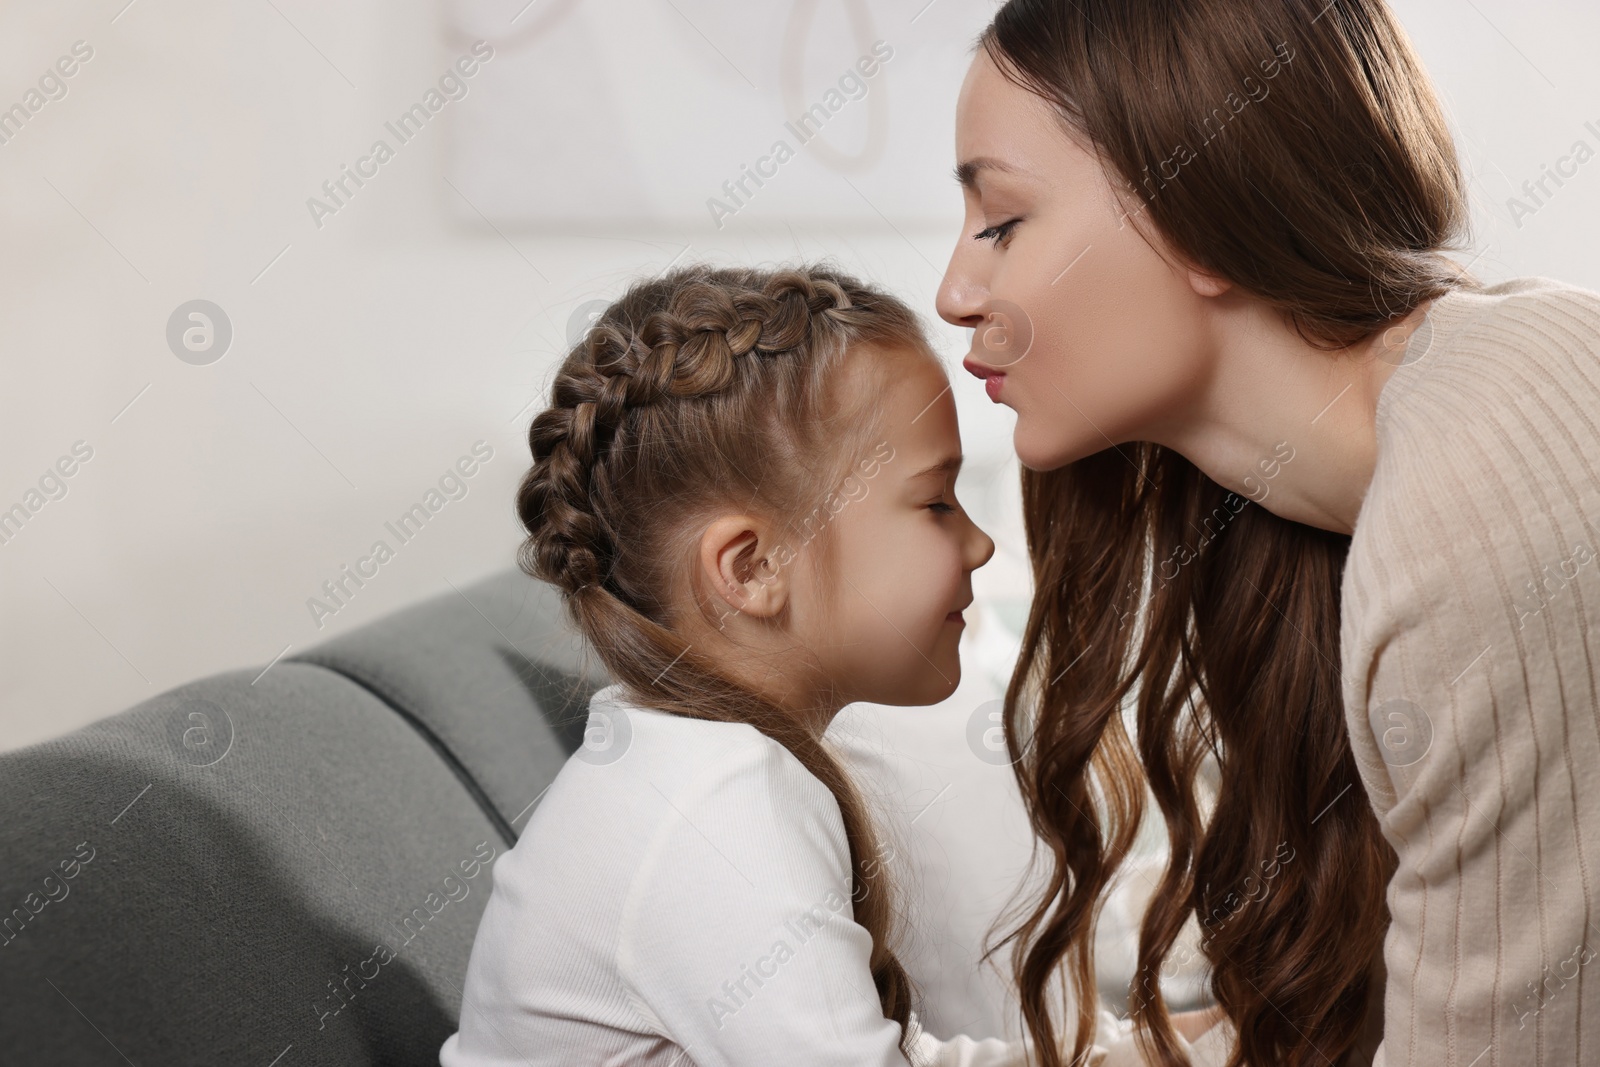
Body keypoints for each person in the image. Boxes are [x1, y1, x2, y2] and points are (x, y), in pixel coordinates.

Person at [937, 1, 1600, 1066]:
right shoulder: (1336, 508)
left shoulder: (1479, 489)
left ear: (1198, 212)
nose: (956, 292)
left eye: (1003, 223)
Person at [437, 263, 1130, 1065]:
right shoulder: (717, 804)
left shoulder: (701, 759)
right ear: (754, 567)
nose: (979, 543)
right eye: (936, 502)